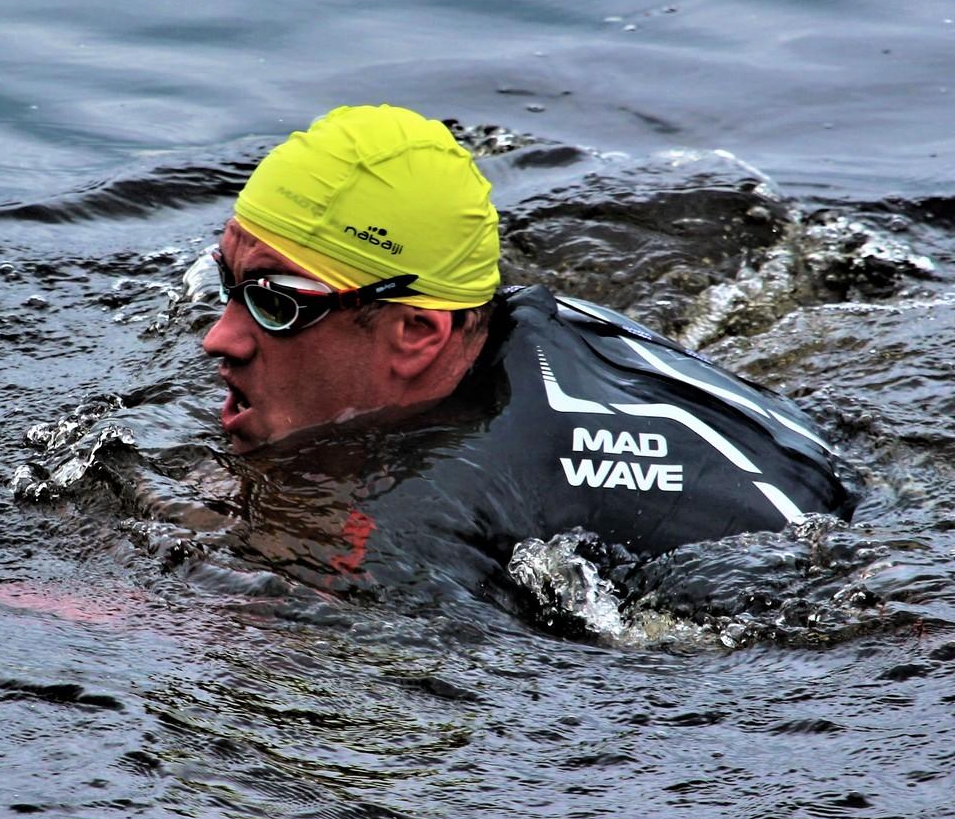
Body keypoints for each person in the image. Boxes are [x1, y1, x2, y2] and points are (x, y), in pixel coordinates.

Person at [191, 103, 859, 576]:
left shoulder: (433, 505)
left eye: (275, 302)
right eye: (229, 282)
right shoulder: (506, 326)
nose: (219, 338)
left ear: (416, 333)